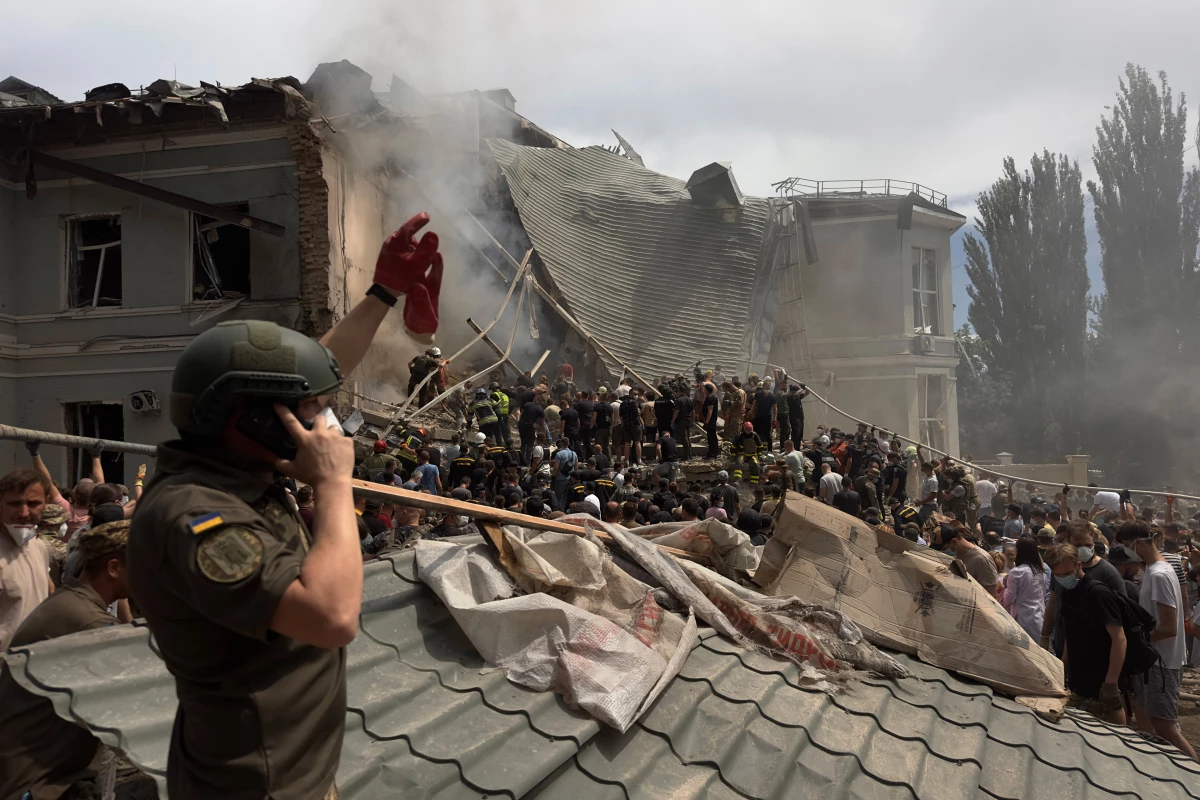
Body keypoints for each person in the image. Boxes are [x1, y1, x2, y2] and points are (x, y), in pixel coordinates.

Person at [128, 212, 442, 798]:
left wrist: (383, 293)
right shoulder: (194, 515)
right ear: (246, 419)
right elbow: (330, 617)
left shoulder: (234, 466)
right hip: (256, 785)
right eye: (308, 412)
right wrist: (333, 483)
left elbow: (313, 368)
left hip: (291, 776)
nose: (321, 421)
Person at [0, 520, 131, 800]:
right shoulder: (90, 623)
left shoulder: (70, 602)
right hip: (39, 783)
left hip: (39, 772)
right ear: (114, 568)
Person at [1116, 521, 1198, 759]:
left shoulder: (1159, 575)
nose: (1127, 552)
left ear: (1138, 543)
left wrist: (1138, 639)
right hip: (1154, 662)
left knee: (1165, 726)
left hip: (1162, 663)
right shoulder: (1156, 570)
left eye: (1127, 546)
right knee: (1150, 723)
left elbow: (1169, 627)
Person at [1045, 543, 1127, 725]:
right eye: (1057, 576)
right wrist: (1063, 670)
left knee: (1111, 712)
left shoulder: (1097, 592)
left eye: (1066, 574)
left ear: (1079, 566)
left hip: (1102, 671)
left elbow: (1119, 638)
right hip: (1079, 672)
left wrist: (1111, 683)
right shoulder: (1067, 592)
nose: (1062, 579)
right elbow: (1070, 634)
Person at [0, 467, 54, 652]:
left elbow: (47, 588)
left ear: (46, 503)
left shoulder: (38, 546)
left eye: (33, 503)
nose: (23, 513)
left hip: (35, 664)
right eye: (14, 504)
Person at [1002, 535, 1049, 641]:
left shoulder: (1017, 572)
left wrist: (1005, 587)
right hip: (1040, 617)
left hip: (1023, 620)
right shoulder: (1041, 571)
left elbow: (1009, 599)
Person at [941, 525, 999, 598]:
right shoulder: (956, 556)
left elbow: (991, 594)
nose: (943, 551)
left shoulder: (982, 559)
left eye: (944, 547)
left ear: (954, 541)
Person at [701, 382, 720, 459]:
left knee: (712, 437)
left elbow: (710, 411)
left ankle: (713, 454)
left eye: (704, 389)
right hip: (711, 420)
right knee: (710, 437)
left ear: (707, 390)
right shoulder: (711, 397)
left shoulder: (710, 398)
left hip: (710, 421)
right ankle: (711, 452)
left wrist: (706, 422)